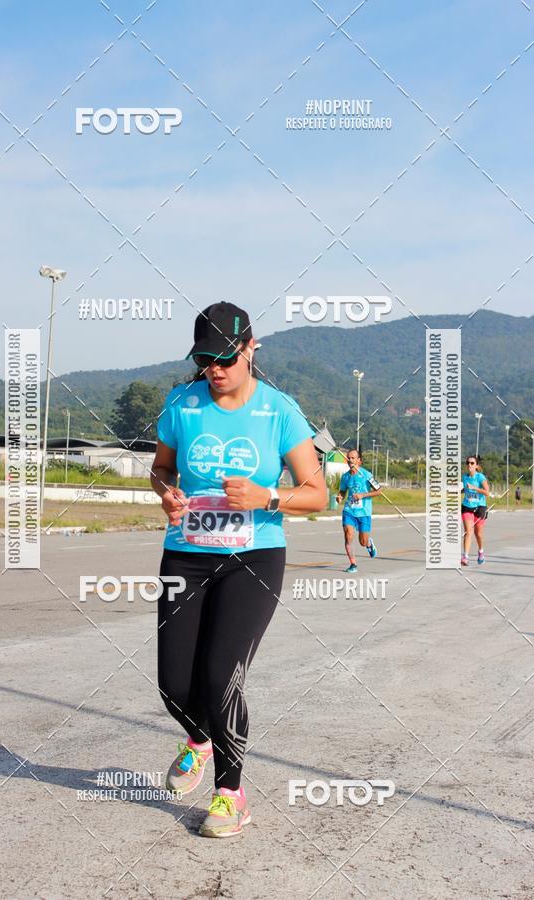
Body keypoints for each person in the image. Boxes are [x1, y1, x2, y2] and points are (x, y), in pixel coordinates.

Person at [150, 301, 327, 838]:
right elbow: (160, 468)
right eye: (205, 359)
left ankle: (231, 794)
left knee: (220, 674)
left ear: (252, 349)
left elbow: (317, 494)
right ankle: (198, 740)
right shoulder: (182, 402)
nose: (216, 369)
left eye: (226, 357)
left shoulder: (280, 411)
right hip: (185, 552)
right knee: (174, 685)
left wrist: (266, 496)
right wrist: (166, 494)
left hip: (253, 557)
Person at [335, 449, 381, 573]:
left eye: (353, 458)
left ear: (359, 461)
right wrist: (339, 497)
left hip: (364, 512)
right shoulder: (345, 477)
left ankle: (369, 545)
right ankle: (353, 564)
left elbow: (379, 491)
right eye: (348, 458)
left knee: (362, 541)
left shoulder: (367, 475)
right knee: (348, 535)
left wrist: (363, 495)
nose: (350, 460)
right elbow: (343, 491)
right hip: (349, 510)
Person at [461, 454, 489, 566]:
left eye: (472, 463)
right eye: (468, 463)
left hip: (480, 507)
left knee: (478, 533)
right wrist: (458, 490)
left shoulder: (480, 477)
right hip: (467, 506)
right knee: (468, 532)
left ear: (476, 465)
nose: (469, 465)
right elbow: (465, 489)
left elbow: (487, 492)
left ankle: (481, 551)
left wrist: (474, 488)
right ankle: (465, 557)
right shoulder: (464, 477)